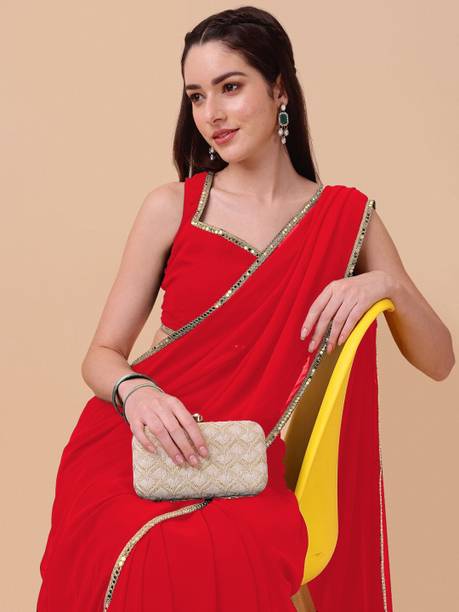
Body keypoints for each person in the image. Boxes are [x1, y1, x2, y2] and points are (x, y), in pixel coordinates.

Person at [37, 6, 455, 612]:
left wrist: (385, 284)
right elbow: (101, 354)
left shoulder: (345, 217)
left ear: (279, 88)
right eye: (196, 96)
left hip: (242, 461)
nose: (211, 113)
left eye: (230, 87)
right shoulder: (171, 207)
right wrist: (139, 394)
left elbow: (440, 361)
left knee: (215, 547)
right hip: (141, 442)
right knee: (135, 544)